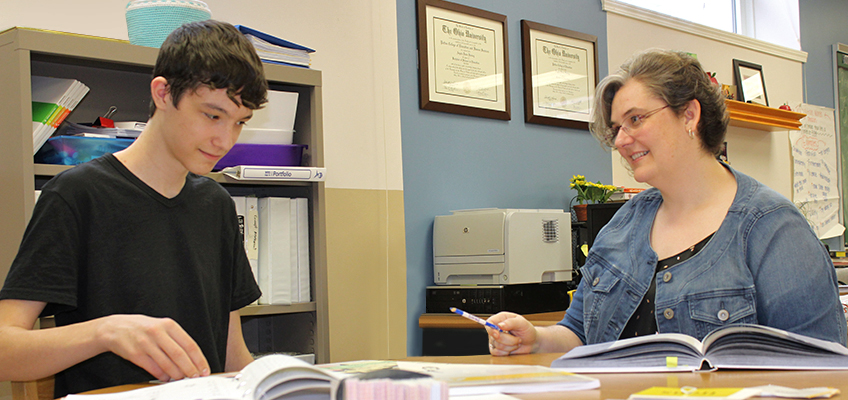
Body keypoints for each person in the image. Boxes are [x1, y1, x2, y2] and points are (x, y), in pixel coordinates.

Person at [486, 48, 847, 356]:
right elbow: (580, 331)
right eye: (616, 128)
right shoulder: (622, 227)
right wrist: (536, 340)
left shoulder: (774, 229)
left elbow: (820, 367)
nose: (621, 140)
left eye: (635, 119)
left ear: (689, 115)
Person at [0, 20, 267, 397]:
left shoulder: (216, 205)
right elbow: (4, 351)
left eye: (239, 123)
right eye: (212, 115)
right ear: (163, 93)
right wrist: (105, 332)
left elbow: (232, 354)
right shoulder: (77, 195)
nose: (225, 140)